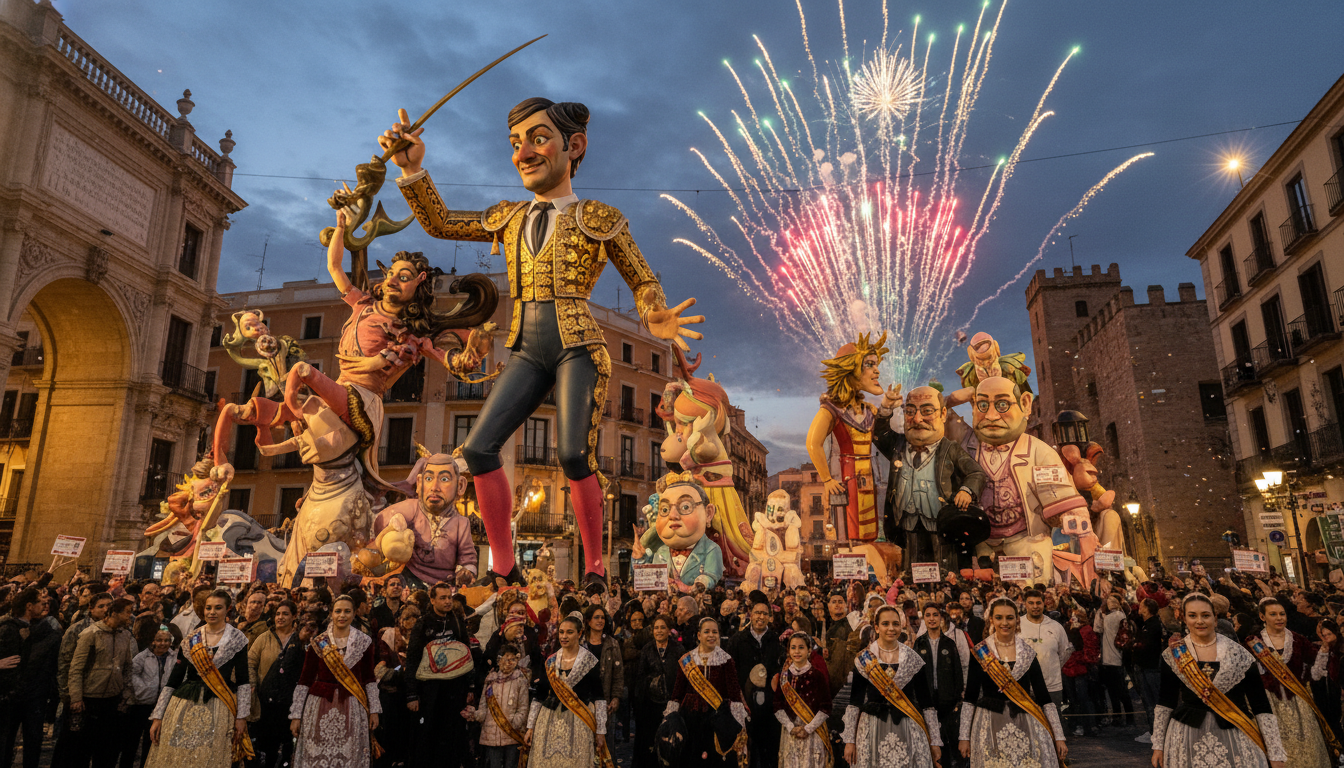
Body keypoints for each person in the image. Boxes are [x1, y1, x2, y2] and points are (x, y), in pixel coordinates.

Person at [384, 96, 702, 590]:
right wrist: (412, 171)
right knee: (479, 449)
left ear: (573, 146)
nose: (523, 153)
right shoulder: (507, 217)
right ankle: (504, 566)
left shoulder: (599, 217)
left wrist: (653, 310)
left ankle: (594, 568)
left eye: (537, 139)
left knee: (575, 455)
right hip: (528, 349)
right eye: (515, 143)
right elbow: (441, 222)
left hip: (578, 345)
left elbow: (640, 278)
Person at [1151, 593, 1286, 768]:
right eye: (1193, 616)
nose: (1199, 621)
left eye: (1205, 615)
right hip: (1187, 736)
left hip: (1236, 734)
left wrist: (1275, 753)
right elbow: (1165, 703)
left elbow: (1261, 706)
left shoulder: (1239, 654)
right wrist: (1158, 746)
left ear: (1215, 619)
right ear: (1184, 619)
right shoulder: (1174, 655)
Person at [146, 590, 252, 768]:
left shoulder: (237, 639)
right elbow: (174, 679)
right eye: (208, 608)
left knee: (211, 756)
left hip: (220, 705)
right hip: (184, 704)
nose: (212, 612)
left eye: (218, 608)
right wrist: (158, 716)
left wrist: (241, 717)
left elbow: (243, 681)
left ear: (228, 609)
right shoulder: (191, 639)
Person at [959, 597, 1067, 768]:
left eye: (1010, 617)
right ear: (991, 619)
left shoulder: (1027, 653)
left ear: (1017, 619)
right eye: (999, 617)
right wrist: (964, 737)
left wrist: (1059, 736)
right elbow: (970, 698)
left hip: (1025, 724)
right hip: (989, 725)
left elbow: (1045, 699)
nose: (1004, 623)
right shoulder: (981, 652)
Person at [842, 605, 941, 768]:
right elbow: (854, 703)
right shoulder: (864, 659)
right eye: (885, 624)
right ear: (876, 627)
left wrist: (935, 741)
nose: (891, 628)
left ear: (901, 626)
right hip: (872, 728)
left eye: (895, 624)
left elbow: (927, 704)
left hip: (907, 728)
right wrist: (849, 741)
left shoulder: (912, 659)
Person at [289, 594, 381, 768]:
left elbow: (369, 679)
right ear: (331, 613)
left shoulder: (364, 642)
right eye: (338, 611)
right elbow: (304, 681)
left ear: (354, 614)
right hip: (319, 708)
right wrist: (296, 715)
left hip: (352, 706)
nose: (342, 615)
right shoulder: (318, 642)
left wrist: (374, 710)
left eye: (347, 611)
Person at [1250, 597, 1333, 767]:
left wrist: (1324, 651)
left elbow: (1315, 672)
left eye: (1282, 614)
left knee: (1309, 750)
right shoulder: (1253, 642)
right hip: (1269, 705)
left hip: (1299, 702)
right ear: (1262, 616)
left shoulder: (1298, 640)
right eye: (1273, 614)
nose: (1279, 618)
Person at [404, 582, 477, 768]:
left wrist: (470, 686)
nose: (447, 602)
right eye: (442, 598)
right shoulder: (423, 623)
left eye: (449, 598)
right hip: (429, 691)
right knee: (428, 735)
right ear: (432, 600)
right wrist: (412, 694)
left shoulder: (458, 622)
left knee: (452, 735)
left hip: (455, 689)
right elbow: (412, 659)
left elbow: (467, 654)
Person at [526, 614, 609, 768]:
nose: (564, 636)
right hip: (548, 723)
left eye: (569, 632)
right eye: (562, 632)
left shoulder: (589, 662)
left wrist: (601, 730)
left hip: (579, 721)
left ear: (580, 633)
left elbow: (599, 698)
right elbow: (539, 696)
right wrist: (530, 727)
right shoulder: (550, 661)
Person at [665, 617, 747, 768]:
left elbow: (734, 695)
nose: (711, 635)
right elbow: (677, 694)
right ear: (698, 635)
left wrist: (738, 725)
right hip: (690, 718)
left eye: (715, 632)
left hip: (718, 719)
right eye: (707, 632)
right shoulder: (687, 660)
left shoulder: (726, 660)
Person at [69, 596, 137, 768]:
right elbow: (76, 668)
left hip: (113, 700)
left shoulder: (125, 636)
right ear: (115, 613)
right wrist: (76, 698)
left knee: (108, 750)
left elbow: (128, 666)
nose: (130, 616)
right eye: (127, 612)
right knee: (82, 750)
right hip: (90, 699)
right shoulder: (91, 634)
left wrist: (126, 693)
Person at [726, 598, 782, 768]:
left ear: (769, 617)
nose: (760, 616)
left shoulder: (775, 640)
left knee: (769, 750)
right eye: (757, 612)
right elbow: (730, 671)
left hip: (770, 707)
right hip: (745, 705)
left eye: (765, 613)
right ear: (750, 614)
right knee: (747, 752)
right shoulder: (737, 639)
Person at [249, 599, 303, 768]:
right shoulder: (264, 638)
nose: (280, 617)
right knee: (267, 745)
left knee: (287, 743)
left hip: (290, 701)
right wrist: (252, 684)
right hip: (266, 700)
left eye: (285, 614)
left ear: (294, 616)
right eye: (278, 614)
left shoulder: (300, 639)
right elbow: (250, 662)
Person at [464, 643, 530, 768]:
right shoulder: (490, 680)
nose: (509, 663)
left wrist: (514, 723)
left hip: (512, 734)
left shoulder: (520, 681)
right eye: (506, 659)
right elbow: (484, 707)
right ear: (499, 660)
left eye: (513, 659)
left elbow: (523, 707)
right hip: (491, 734)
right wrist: (475, 714)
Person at [914, 603, 965, 763]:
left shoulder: (949, 643)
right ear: (924, 618)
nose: (932, 618)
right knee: (929, 743)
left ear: (940, 617)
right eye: (928, 615)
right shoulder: (919, 643)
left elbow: (958, 671)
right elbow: (914, 673)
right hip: (926, 700)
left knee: (948, 742)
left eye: (935, 615)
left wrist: (956, 698)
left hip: (947, 701)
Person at [774, 632, 832, 768]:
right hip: (791, 734)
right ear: (788, 651)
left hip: (813, 734)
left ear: (809, 650)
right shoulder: (784, 677)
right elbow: (777, 705)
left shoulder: (817, 676)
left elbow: (826, 707)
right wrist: (790, 727)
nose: (797, 651)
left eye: (801, 647)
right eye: (793, 647)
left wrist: (808, 728)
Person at [634, 615, 685, 765]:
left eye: (662, 627)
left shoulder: (678, 649)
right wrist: (652, 682)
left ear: (669, 630)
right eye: (656, 628)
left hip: (673, 704)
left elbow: (685, 675)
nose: (659, 631)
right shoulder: (647, 649)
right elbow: (640, 676)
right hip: (651, 706)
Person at [0, 588, 41, 768]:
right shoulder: (8, 628)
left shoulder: (23, 628)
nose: (44, 605)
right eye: (40, 601)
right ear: (29, 606)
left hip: (13, 697)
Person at [124, 629, 177, 768]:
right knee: (132, 742)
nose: (163, 644)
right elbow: (132, 675)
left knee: (152, 742)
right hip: (141, 705)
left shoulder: (174, 657)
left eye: (166, 640)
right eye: (159, 640)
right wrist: (144, 690)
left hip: (161, 707)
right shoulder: (143, 657)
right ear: (153, 641)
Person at [1019, 589, 1071, 712]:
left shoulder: (1056, 627)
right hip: (1024, 688)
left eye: (1038, 603)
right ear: (1025, 604)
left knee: (1052, 724)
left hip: (1052, 687)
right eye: (1031, 603)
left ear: (1044, 604)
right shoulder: (1016, 625)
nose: (1035, 606)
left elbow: (1064, 653)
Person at [1094, 594, 1136, 727]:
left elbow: (1097, 628)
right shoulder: (1122, 616)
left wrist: (1100, 611)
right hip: (1118, 658)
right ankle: (1128, 717)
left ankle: (1119, 717)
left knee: (1115, 691)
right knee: (1121, 690)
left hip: (1110, 659)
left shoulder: (1110, 617)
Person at [1061, 607, 1101, 738]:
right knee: (1074, 699)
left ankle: (1088, 726)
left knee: (1083, 698)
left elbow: (1091, 651)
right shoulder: (1069, 629)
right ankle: (1078, 724)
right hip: (1069, 666)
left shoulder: (1086, 631)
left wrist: (1080, 658)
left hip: (1080, 668)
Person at [582, 605, 624, 729]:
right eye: (596, 617)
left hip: (605, 701)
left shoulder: (612, 644)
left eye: (602, 618)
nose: (600, 620)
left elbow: (618, 674)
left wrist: (616, 698)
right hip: (584, 701)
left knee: (604, 739)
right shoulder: (580, 643)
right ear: (589, 621)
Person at [1132, 597, 1167, 744]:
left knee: (1152, 701)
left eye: (1141, 605)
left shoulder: (1153, 625)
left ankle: (1157, 733)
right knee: (1149, 701)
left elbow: (1147, 646)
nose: (1139, 607)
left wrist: (1136, 646)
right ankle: (1154, 731)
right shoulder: (1147, 623)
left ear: (1146, 608)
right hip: (1146, 667)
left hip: (1151, 668)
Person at [1313, 618, 1344, 749]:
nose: (1327, 638)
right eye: (1324, 635)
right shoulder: (1327, 649)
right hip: (1332, 692)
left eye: (1329, 635)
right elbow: (1316, 674)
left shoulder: (1340, 650)